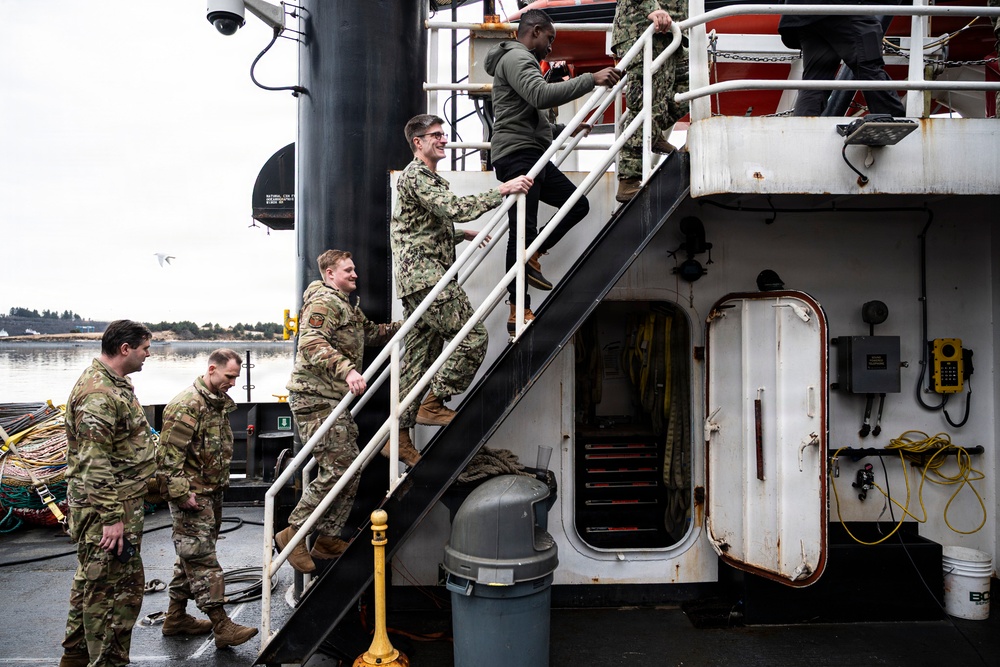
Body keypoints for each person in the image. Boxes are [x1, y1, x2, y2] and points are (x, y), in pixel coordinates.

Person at [390, 113, 532, 444]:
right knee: (473, 337)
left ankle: (397, 437)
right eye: (436, 135)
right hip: (428, 277)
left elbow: (414, 228)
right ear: (418, 142)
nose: (444, 140)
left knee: (418, 358)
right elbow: (452, 207)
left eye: (443, 134)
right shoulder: (418, 177)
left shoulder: (420, 178)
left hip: (415, 280)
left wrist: (460, 234)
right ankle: (435, 402)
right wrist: (503, 190)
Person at [485, 9, 622, 323]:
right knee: (522, 231)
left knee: (576, 205)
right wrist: (591, 79)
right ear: (534, 31)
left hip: (532, 153)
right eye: (549, 38)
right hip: (518, 155)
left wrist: (565, 130)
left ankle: (533, 253)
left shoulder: (521, 59)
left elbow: (527, 113)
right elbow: (540, 95)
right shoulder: (517, 58)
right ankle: (518, 309)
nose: (551, 47)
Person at [276, 249, 402, 574]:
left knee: (350, 467)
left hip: (331, 399)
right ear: (329, 274)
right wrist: (347, 370)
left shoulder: (346, 305)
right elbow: (311, 341)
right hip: (313, 397)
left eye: (354, 269)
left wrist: (406, 327)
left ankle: (328, 538)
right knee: (339, 467)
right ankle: (293, 534)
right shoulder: (324, 302)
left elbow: (370, 334)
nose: (355, 275)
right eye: (348, 270)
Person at [59, 320, 157, 667]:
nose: (149, 354)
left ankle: (75, 657)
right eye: (145, 347)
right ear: (125, 349)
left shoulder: (117, 384)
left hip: (117, 501)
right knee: (116, 592)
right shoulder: (99, 393)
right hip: (108, 508)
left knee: (92, 582)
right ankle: (107, 662)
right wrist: (112, 520)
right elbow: (93, 461)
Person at [157, 349, 257, 648]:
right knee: (202, 559)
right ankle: (221, 624)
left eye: (236, 377)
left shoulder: (215, 404)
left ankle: (175, 618)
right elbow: (166, 460)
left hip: (211, 492)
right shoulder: (187, 405)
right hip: (192, 496)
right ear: (212, 369)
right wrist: (181, 494)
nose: (233, 383)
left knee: (189, 556)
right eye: (229, 376)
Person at [612, 0, 690, 203]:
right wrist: (653, 9)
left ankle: (652, 132)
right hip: (643, 28)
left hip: (673, 33)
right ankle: (628, 180)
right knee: (644, 104)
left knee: (689, 87)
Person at [778, 1, 906, 117]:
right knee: (869, 65)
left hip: (803, 13)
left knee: (815, 80)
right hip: (839, 6)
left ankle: (803, 129)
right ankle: (892, 119)